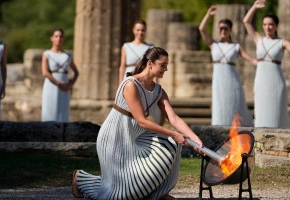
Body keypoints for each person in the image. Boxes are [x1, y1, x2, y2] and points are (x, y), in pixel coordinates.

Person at [72, 47, 203, 200]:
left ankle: (157, 193)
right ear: (150, 63)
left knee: (170, 144)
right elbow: (141, 121)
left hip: (136, 139)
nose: (166, 69)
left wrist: (196, 140)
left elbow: (174, 118)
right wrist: (174, 133)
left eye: (167, 65)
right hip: (115, 138)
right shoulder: (131, 84)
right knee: (119, 194)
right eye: (163, 65)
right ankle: (81, 178)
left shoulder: (159, 91)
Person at [199, 6, 257, 127]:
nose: (223, 31)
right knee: (219, 104)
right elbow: (202, 29)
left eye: (225, 29)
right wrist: (208, 15)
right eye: (220, 29)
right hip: (219, 80)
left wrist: (263, 63)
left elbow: (250, 58)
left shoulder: (235, 46)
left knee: (234, 104)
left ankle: (236, 128)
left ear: (230, 30)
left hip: (232, 80)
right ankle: (219, 128)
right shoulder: (214, 44)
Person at [243, 0, 290, 128]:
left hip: (276, 81)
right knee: (261, 110)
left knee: (278, 112)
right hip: (261, 80)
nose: (267, 27)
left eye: (270, 24)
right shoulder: (259, 39)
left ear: (276, 26)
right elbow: (246, 22)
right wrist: (254, 7)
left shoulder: (282, 42)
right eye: (265, 24)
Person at [41, 28, 79, 122]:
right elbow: (45, 72)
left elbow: (76, 72)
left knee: (63, 111)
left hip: (65, 86)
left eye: (61, 36)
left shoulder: (68, 56)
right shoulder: (47, 54)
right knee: (50, 110)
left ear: (63, 39)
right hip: (51, 85)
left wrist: (70, 84)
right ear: (52, 38)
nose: (58, 38)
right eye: (56, 36)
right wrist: (58, 83)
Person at [118, 19, 153, 84]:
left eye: (142, 30)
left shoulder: (151, 47)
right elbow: (122, 67)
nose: (140, 32)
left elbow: (153, 67)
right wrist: (120, 84)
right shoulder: (126, 46)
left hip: (144, 79)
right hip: (129, 78)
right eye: (138, 30)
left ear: (145, 31)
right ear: (133, 30)